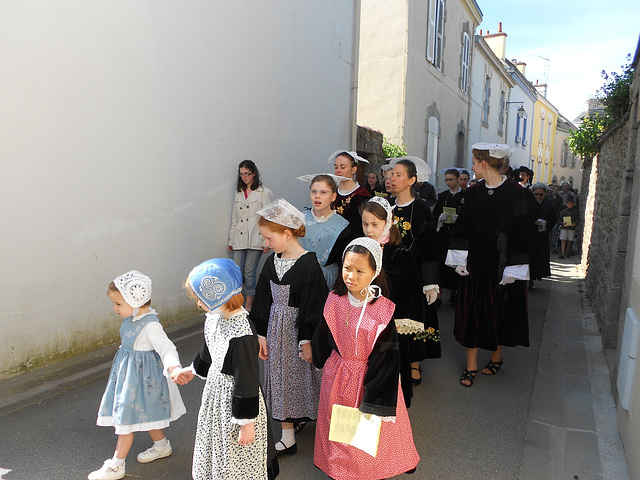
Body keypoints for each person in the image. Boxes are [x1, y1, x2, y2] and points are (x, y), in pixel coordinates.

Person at [312, 237, 420, 480]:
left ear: (375, 272)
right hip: (338, 375)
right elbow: (323, 331)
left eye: (360, 270)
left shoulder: (382, 310)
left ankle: (367, 473)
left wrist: (377, 398)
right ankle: (340, 472)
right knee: (339, 431)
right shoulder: (333, 300)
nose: (351, 275)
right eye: (347, 268)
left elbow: (387, 356)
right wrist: (317, 355)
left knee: (366, 435)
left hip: (369, 379)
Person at [172, 259, 279, 480]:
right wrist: (192, 370)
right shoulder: (214, 317)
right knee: (216, 443)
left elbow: (247, 379)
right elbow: (209, 349)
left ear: (215, 296)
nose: (198, 304)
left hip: (236, 400)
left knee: (237, 453)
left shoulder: (242, 334)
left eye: (200, 299)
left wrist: (246, 423)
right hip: (216, 394)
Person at [446, 143, 532, 388]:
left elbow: (520, 232)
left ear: (484, 164)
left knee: (501, 310)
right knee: (471, 309)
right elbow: (463, 226)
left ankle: (496, 357)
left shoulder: (517, 193)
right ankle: (471, 364)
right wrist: (460, 258)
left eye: (474, 162)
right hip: (477, 258)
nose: (472, 167)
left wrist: (514, 267)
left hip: (504, 260)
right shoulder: (472, 193)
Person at [89, 271, 186, 480]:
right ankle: (161, 445)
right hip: (129, 376)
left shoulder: (151, 325)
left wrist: (173, 367)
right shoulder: (133, 317)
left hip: (143, 380)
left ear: (136, 300)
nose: (115, 309)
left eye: (118, 304)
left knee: (125, 417)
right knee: (146, 414)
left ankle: (117, 465)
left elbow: (166, 348)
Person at [250, 199, 328, 456]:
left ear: (287, 233)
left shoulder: (308, 264)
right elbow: (262, 299)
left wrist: (306, 340)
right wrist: (260, 333)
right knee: (280, 379)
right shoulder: (271, 262)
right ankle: (287, 435)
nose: (266, 244)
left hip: (297, 333)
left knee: (304, 377)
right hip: (275, 331)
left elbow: (314, 306)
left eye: (269, 238)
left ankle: (307, 418)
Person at [361, 196, 438, 407]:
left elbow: (409, 295)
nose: (369, 229)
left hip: (391, 325)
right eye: (365, 223)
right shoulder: (361, 249)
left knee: (390, 370)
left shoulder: (399, 253)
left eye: (375, 224)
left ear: (388, 224)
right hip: (364, 323)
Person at [388, 158, 441, 385]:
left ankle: (414, 363)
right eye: (391, 174)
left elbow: (430, 245)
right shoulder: (385, 206)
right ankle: (392, 361)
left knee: (414, 316)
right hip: (389, 270)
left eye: (399, 175)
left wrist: (430, 281)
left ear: (412, 180)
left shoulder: (421, 209)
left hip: (414, 271)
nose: (392, 178)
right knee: (391, 317)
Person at [228, 160, 273, 311]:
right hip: (239, 238)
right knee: (236, 272)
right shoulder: (239, 193)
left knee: (249, 272)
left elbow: (268, 218)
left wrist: (267, 241)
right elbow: (235, 218)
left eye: (247, 174)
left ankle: (249, 305)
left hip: (256, 237)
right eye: (241, 174)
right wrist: (232, 239)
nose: (244, 177)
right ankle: (237, 303)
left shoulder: (264, 193)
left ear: (254, 173)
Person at [297, 174, 354, 289]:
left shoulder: (342, 226)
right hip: (300, 277)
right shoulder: (299, 219)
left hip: (327, 281)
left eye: (323, 192)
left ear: (333, 197)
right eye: (314, 191)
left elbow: (343, 261)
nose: (317, 196)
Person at [433, 168, 464, 306]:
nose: (449, 182)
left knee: (455, 266)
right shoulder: (443, 196)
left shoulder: (465, 196)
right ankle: (439, 296)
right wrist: (440, 218)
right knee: (441, 265)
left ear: (458, 179)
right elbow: (435, 215)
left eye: (451, 179)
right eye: (446, 179)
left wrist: (460, 219)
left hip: (458, 236)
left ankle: (454, 294)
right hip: (444, 236)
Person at [329, 150, 372, 235]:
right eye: (336, 167)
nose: (338, 171)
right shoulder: (331, 193)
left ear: (353, 170)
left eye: (343, 167)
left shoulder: (363, 195)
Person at [529, 183, 557, 289]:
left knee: (538, 258)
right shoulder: (528, 204)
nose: (538, 197)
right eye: (536, 194)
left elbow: (553, 219)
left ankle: (533, 278)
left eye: (541, 194)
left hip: (541, 237)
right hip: (530, 236)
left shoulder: (548, 206)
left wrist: (546, 223)